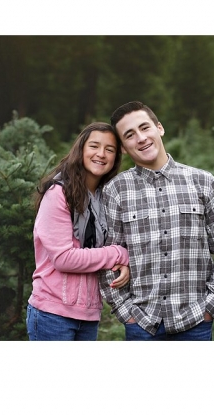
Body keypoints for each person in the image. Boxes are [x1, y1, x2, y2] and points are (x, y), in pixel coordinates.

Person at [98, 101, 214, 340]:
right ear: (123, 148)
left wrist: (210, 306)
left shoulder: (203, 182)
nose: (141, 138)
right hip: (142, 324)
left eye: (145, 128)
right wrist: (126, 312)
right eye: (130, 135)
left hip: (195, 321)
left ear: (159, 128)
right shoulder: (116, 191)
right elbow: (107, 256)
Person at [27, 122, 130, 341]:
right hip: (52, 314)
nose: (101, 154)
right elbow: (64, 258)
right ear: (81, 149)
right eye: (94, 146)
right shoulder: (58, 193)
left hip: (89, 314)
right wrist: (119, 254)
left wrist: (124, 263)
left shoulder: (106, 197)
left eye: (109, 149)